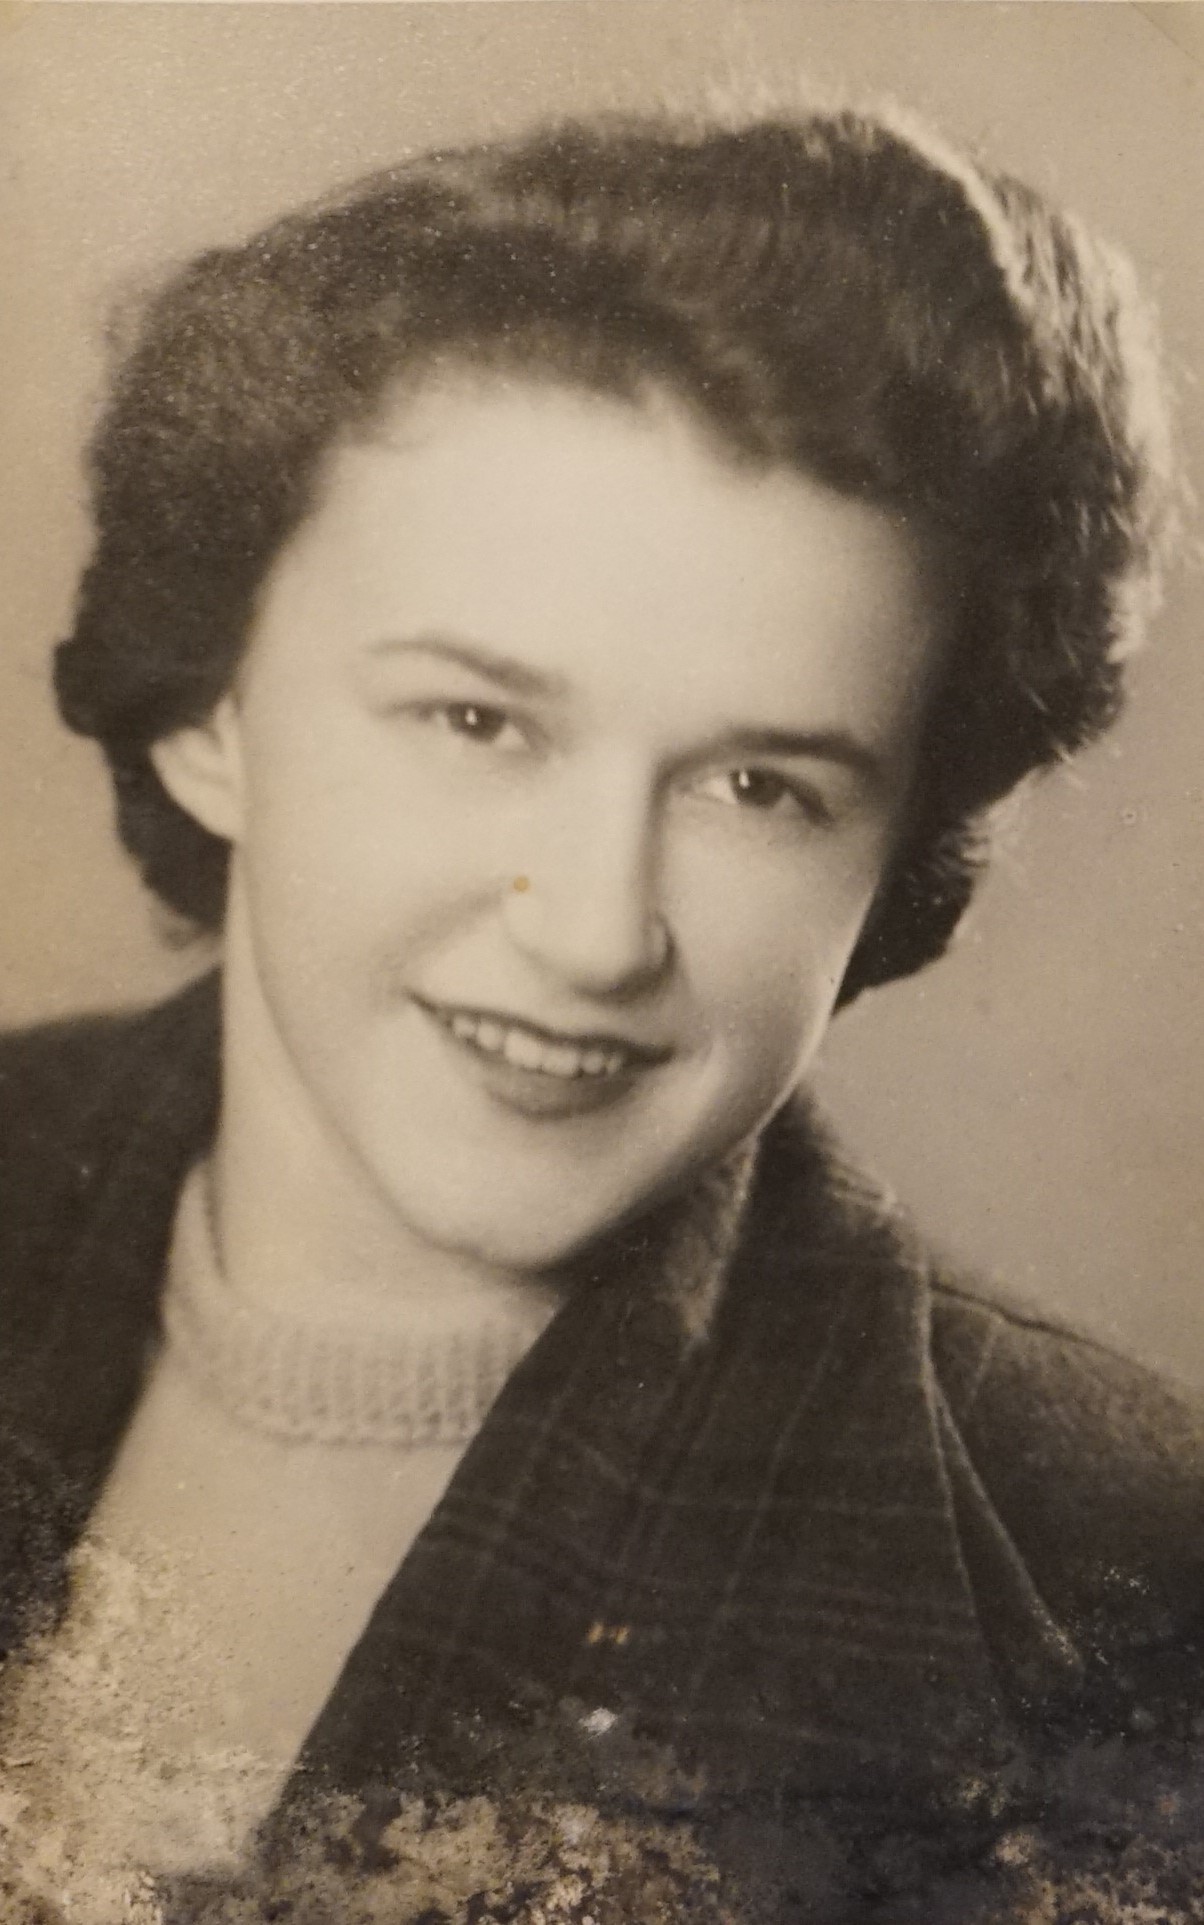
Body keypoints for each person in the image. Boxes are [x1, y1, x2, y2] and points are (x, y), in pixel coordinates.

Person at [1, 97, 1201, 1924]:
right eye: (478, 720)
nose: (590, 932)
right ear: (209, 713)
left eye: (762, 787)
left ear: (896, 856)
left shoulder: (1119, 1585)